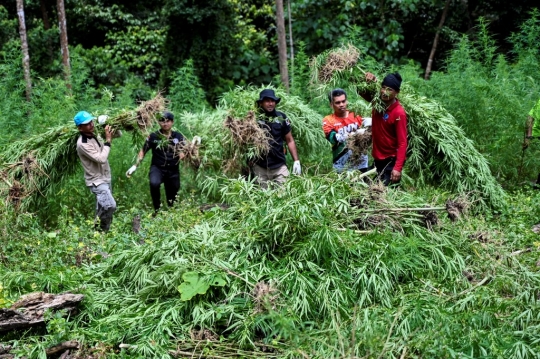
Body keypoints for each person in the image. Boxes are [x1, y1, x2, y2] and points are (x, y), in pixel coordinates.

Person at [126, 111, 185, 214]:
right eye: (162, 121)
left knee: (173, 192)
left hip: (173, 170)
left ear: (172, 122)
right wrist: (135, 165)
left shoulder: (178, 136)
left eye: (168, 121)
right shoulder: (154, 136)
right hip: (158, 168)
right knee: (154, 183)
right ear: (158, 122)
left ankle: (172, 212)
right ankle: (157, 209)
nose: (165, 123)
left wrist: (185, 154)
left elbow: (184, 151)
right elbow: (143, 150)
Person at [360, 72, 408, 186]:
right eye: (383, 88)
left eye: (390, 89)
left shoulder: (399, 113)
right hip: (377, 159)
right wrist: (366, 81)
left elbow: (402, 142)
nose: (384, 92)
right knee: (368, 188)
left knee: (383, 195)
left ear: (397, 92)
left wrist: (397, 168)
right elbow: (361, 91)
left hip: (390, 161)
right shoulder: (378, 103)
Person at [74, 111, 117, 232]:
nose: (91, 125)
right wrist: (108, 141)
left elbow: (118, 135)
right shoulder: (82, 144)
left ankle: (102, 235)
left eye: (91, 121)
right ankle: (97, 230)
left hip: (105, 177)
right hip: (96, 181)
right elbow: (101, 159)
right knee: (109, 205)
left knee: (103, 208)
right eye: (87, 124)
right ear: (80, 128)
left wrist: (111, 122)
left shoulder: (95, 135)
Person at [251, 89, 301, 189]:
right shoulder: (253, 119)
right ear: (261, 103)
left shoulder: (281, 117)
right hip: (260, 167)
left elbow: (289, 139)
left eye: (272, 101)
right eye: (267, 101)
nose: (270, 104)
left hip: (279, 167)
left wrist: (296, 161)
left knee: (284, 197)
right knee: (263, 199)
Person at [322, 88, 369, 172]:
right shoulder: (328, 120)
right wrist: (352, 134)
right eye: (337, 102)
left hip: (360, 161)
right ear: (331, 105)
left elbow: (369, 132)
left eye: (343, 101)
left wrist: (370, 123)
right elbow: (332, 138)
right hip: (341, 163)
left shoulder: (356, 114)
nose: (341, 104)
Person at [523, 98, 540, 188]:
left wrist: (528, 136)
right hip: (536, 136)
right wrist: (528, 136)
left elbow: (529, 118)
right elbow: (529, 118)